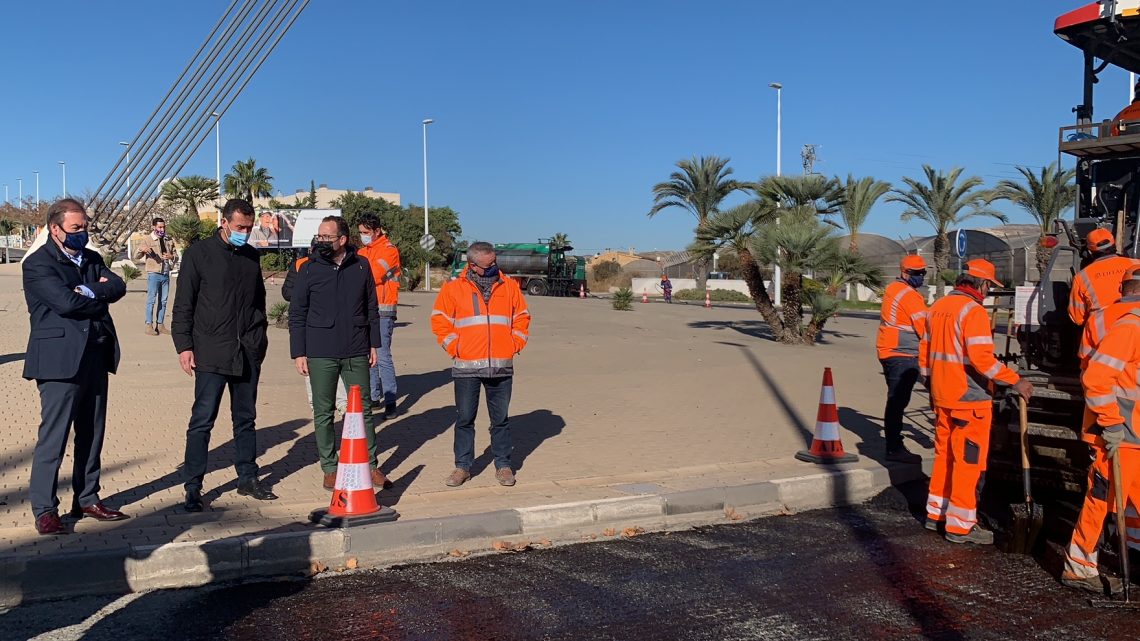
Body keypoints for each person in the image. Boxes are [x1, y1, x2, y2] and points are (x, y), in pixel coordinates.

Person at [22, 198, 129, 535]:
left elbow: (119, 285)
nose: (83, 233)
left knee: (92, 434)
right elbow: (65, 303)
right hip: (59, 363)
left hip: (95, 356)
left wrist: (91, 290)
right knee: (53, 438)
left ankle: (87, 498)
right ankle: (44, 509)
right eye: (76, 228)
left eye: (85, 227)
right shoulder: (38, 264)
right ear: (55, 229)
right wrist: (95, 294)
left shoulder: (93, 258)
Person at [171, 198, 277, 512]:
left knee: (246, 420)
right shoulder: (198, 254)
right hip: (210, 352)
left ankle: (248, 478)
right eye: (240, 227)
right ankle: (193, 488)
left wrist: (260, 340)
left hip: (247, 352)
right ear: (224, 223)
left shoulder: (250, 256)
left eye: (249, 227)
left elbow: (258, 301)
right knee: (202, 421)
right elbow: (183, 305)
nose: (245, 232)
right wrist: (184, 346)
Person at [921, 259, 1033, 544]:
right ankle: (960, 526)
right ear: (981, 284)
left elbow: (924, 354)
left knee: (945, 455)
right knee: (968, 462)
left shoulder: (938, 308)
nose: (988, 293)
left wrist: (931, 384)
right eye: (989, 288)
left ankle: (936, 513)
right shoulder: (973, 312)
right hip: (969, 400)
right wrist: (1015, 380)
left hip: (943, 396)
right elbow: (983, 360)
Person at [289, 216, 390, 490]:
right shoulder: (309, 269)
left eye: (326, 237)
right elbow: (296, 313)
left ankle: (371, 465)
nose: (321, 241)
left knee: (362, 410)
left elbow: (371, 306)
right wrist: (299, 352)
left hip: (356, 348)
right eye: (319, 237)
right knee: (324, 411)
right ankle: (330, 467)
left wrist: (373, 344)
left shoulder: (361, 266)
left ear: (342, 240)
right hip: (320, 351)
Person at [1062, 270, 1140, 594]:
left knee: (1133, 497)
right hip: (1116, 433)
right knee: (1101, 498)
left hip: (1129, 432)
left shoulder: (1110, 319)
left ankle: (1133, 551)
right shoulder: (1131, 327)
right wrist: (1110, 423)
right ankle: (1079, 566)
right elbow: (1095, 379)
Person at [431, 241, 531, 487]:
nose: (494, 267)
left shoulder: (508, 286)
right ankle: (462, 467)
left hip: (500, 366)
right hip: (467, 368)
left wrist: (513, 344)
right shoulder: (454, 288)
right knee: (465, 419)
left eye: (495, 262)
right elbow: (439, 321)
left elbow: (522, 317)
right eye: (488, 264)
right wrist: (456, 347)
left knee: (501, 419)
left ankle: (504, 465)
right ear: (472, 265)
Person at [876, 255, 929, 464]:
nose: (921, 277)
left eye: (923, 272)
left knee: (896, 400)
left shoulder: (894, 289)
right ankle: (894, 448)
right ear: (905, 273)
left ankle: (894, 444)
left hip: (891, 350)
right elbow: (925, 327)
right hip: (901, 353)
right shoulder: (909, 295)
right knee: (897, 401)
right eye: (917, 274)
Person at [282, 252, 347, 413]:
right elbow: (287, 292)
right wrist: (305, 292)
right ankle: (317, 405)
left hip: (331, 324)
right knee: (311, 367)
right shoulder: (301, 264)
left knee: (335, 364)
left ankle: (342, 404)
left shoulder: (336, 265)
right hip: (309, 323)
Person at [1069, 228, 1137, 366]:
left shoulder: (1081, 277)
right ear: (1115, 245)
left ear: (1089, 251)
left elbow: (1077, 317)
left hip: (1101, 336)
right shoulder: (1136, 265)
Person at [356, 214, 401, 419]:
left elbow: (371, 275)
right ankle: (374, 397)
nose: (363, 236)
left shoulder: (389, 250)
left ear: (377, 231)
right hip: (364, 309)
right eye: (360, 233)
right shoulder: (362, 252)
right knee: (368, 355)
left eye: (366, 232)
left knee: (382, 355)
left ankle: (390, 400)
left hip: (383, 310)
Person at [135, 217, 178, 335]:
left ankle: (160, 325)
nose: (162, 229)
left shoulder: (168, 240)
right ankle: (149, 325)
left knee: (163, 301)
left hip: (165, 274)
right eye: (159, 227)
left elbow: (176, 256)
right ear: (154, 227)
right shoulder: (148, 240)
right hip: (153, 273)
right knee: (151, 300)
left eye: (163, 227)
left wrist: (171, 257)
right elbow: (136, 256)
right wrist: (141, 249)